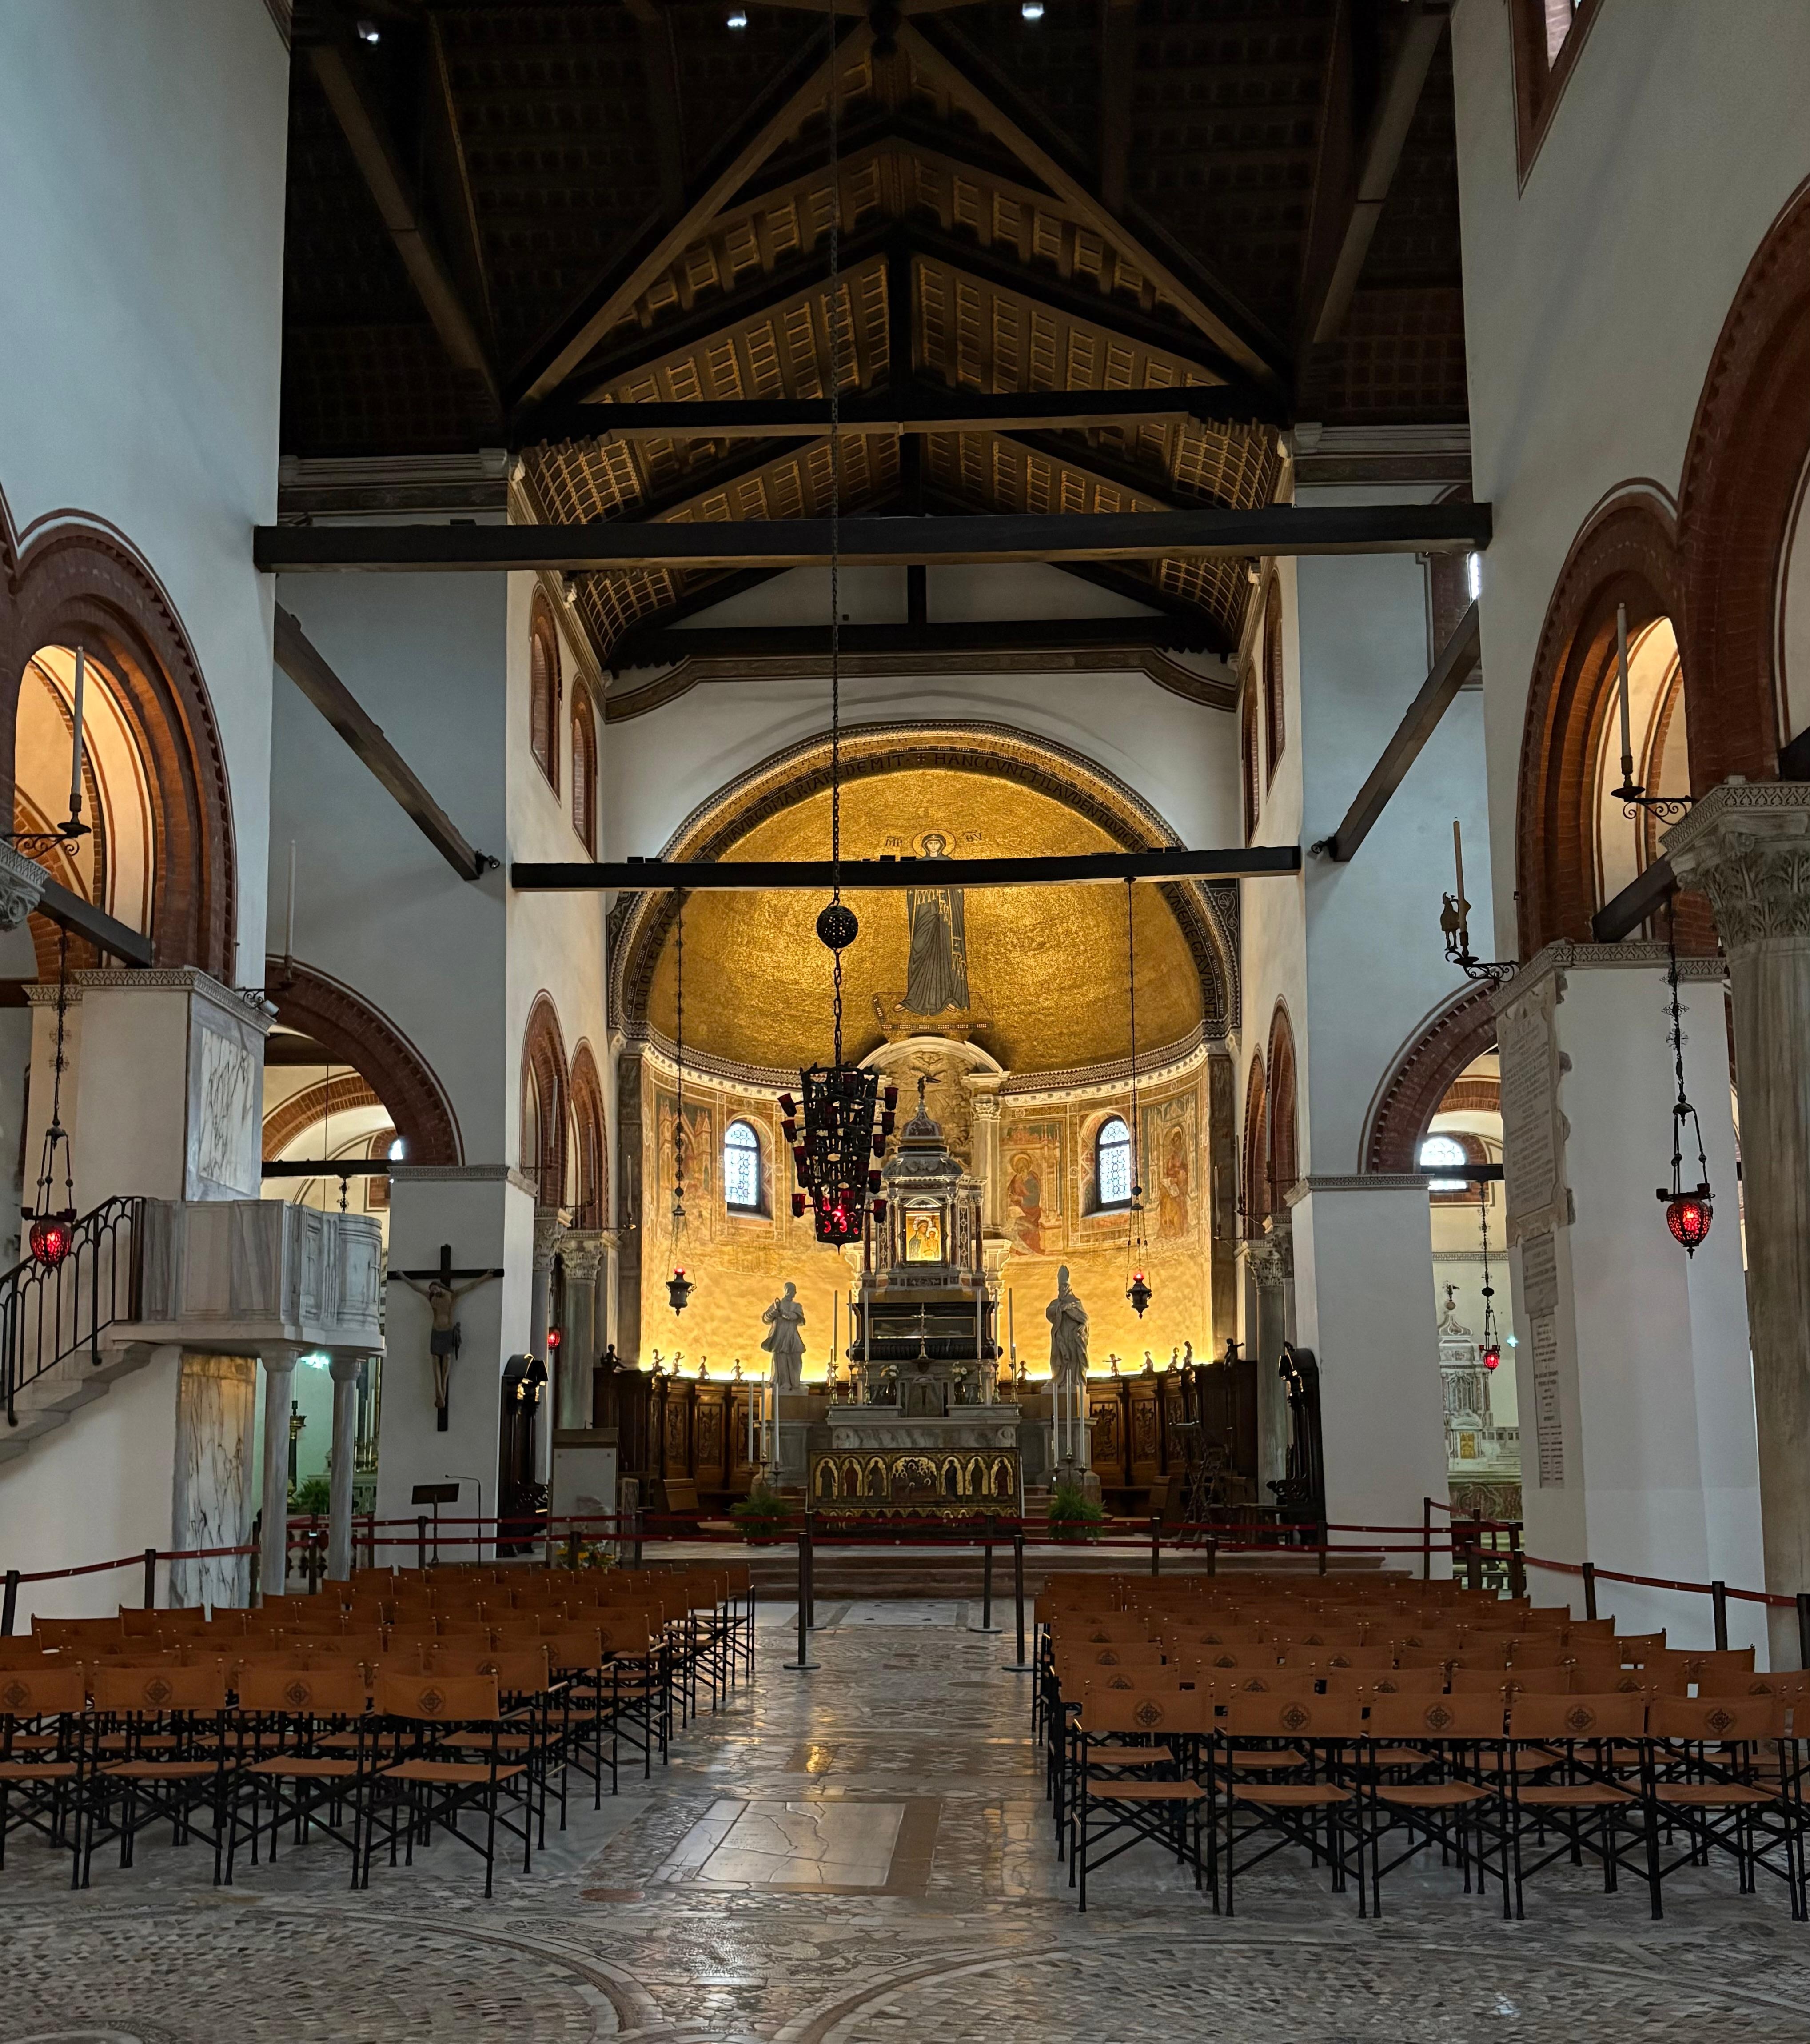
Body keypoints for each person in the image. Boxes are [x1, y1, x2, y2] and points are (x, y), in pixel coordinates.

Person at [395, 1268, 501, 1427]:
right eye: (431, 1289)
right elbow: (416, 1288)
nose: (433, 1290)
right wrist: (403, 1277)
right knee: (435, 1363)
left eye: (434, 1288)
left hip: (448, 1333)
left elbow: (471, 1286)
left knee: (446, 1363)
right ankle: (438, 1391)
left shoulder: (452, 1295)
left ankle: (442, 1391)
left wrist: (486, 1276)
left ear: (440, 1286)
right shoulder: (431, 1298)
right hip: (436, 1332)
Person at [761, 1280, 807, 1392]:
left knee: (796, 1361)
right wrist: (774, 1313)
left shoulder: (796, 1306)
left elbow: (795, 1317)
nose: (795, 1293)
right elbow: (766, 1319)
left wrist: (782, 1312)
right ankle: (782, 1382)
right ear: (788, 1291)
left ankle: (794, 1382)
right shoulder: (777, 1305)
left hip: (792, 1337)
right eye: (793, 1290)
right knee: (780, 1360)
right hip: (780, 1338)